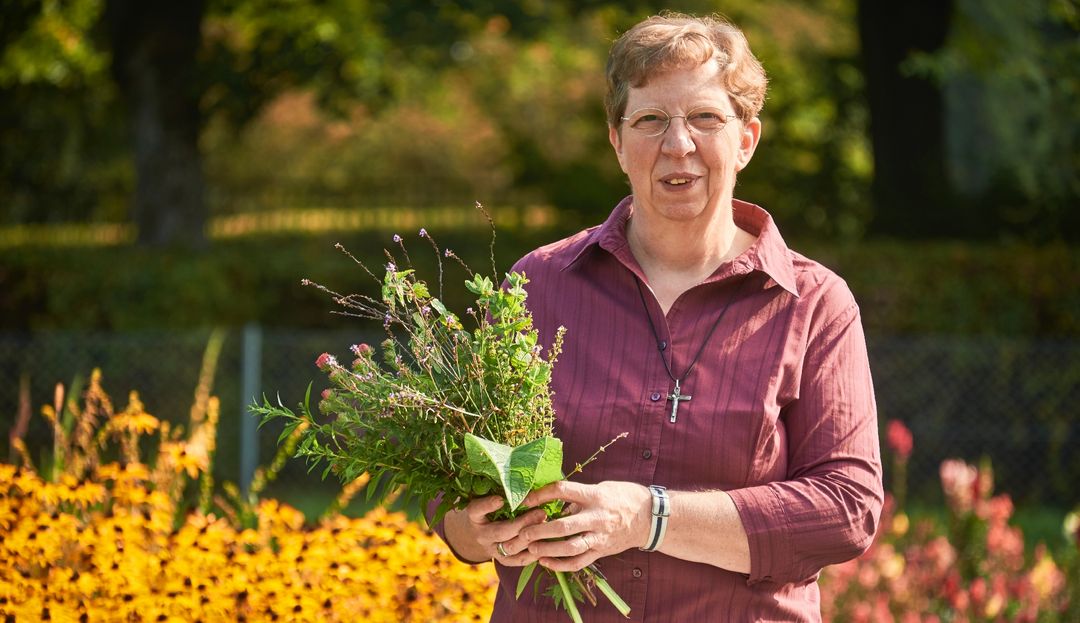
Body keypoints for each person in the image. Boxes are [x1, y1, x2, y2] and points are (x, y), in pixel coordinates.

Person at [439, 12, 883, 622]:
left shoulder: (815, 304)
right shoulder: (536, 286)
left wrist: (647, 517)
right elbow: (447, 483)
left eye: (705, 118)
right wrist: (473, 530)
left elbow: (846, 510)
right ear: (618, 143)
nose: (678, 145)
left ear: (746, 139)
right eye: (650, 120)